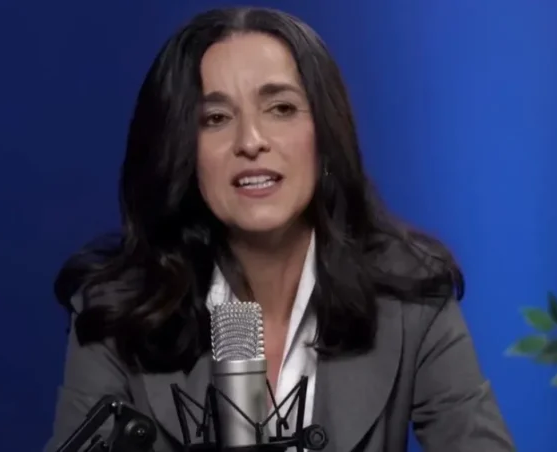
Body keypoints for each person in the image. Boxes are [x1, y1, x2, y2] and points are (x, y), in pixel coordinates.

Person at [46, 6, 514, 452]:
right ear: (183, 151)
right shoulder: (118, 311)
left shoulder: (410, 294)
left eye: (281, 108)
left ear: (325, 135)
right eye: (215, 118)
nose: (251, 141)